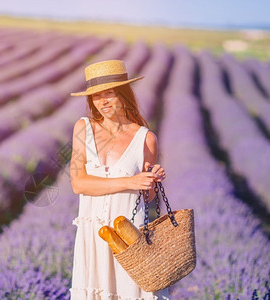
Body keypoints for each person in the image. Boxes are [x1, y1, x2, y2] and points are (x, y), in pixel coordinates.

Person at [68, 60, 170, 299]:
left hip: (128, 237)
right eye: (96, 96)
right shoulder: (83, 128)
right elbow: (78, 183)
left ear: (123, 94)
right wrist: (130, 181)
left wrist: (150, 181)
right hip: (93, 235)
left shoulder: (145, 139)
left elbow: (147, 199)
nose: (102, 102)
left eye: (109, 94)